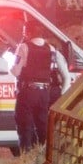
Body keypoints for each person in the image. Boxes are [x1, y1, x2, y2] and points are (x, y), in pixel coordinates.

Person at [11, 21, 70, 152]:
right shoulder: (52, 49)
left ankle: (26, 157)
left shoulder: (23, 47)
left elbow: (15, 71)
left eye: (25, 31)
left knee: (24, 125)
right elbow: (65, 74)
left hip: (27, 93)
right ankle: (45, 155)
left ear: (28, 32)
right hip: (44, 94)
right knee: (43, 126)